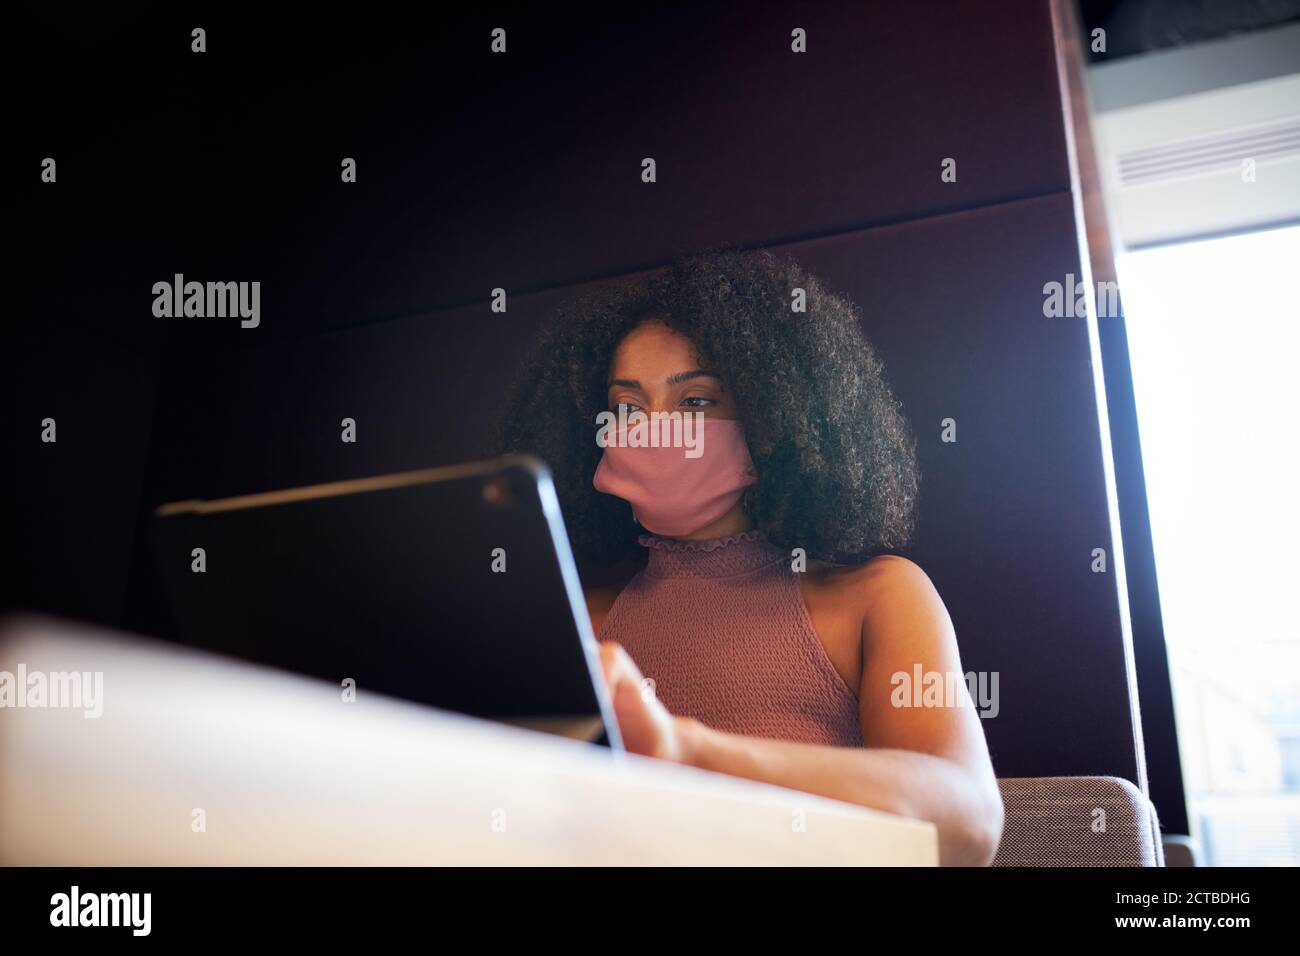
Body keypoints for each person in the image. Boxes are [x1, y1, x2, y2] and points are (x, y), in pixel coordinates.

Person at [497, 247, 1004, 865]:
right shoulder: (583, 620)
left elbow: (965, 823)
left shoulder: (879, 596)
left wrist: (685, 753)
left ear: (774, 417)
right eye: (628, 408)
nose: (654, 430)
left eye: (696, 402)